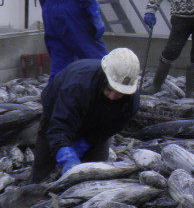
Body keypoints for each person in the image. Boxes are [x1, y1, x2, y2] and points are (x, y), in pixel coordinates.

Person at [31, 48, 141, 183]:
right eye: (109, 89)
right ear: (104, 76)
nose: (112, 97)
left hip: (96, 122)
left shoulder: (131, 102)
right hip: (57, 112)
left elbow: (110, 128)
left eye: (119, 93)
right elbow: (60, 125)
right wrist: (65, 153)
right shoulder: (77, 85)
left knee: (96, 173)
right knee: (43, 170)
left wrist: (86, 142)